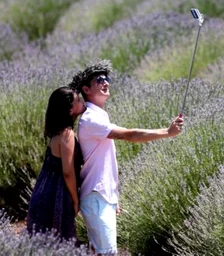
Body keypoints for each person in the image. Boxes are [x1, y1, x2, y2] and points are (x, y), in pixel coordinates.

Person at [68, 60, 184, 256]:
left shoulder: (99, 116)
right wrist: (167, 132)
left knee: (100, 252)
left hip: (103, 196)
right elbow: (129, 135)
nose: (106, 82)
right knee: (107, 253)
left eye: (107, 79)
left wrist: (113, 198)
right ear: (86, 89)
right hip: (97, 197)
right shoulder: (91, 119)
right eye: (99, 80)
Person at [26, 86, 87, 245]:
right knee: (60, 241)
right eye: (78, 100)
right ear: (69, 110)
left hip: (44, 190)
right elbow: (67, 172)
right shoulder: (67, 134)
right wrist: (75, 200)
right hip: (57, 194)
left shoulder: (56, 131)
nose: (82, 101)